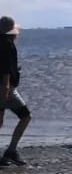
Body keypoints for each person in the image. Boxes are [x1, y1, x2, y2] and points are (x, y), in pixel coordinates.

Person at [0, 16, 31, 166]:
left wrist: (14, 70)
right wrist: (6, 87)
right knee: (25, 116)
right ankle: (11, 151)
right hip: (5, 88)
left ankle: (6, 155)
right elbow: (4, 67)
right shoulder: (7, 44)